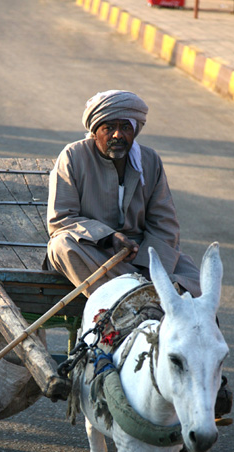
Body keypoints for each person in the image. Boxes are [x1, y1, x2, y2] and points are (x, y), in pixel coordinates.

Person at [46, 89, 201, 297]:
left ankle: (139, 290)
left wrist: (150, 270)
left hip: (141, 254)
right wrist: (110, 237)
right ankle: (137, 296)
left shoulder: (150, 160)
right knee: (61, 246)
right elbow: (62, 219)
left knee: (195, 279)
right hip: (95, 249)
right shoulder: (73, 156)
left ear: (134, 131)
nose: (118, 135)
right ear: (94, 131)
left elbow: (164, 225)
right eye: (109, 128)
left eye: (125, 128)